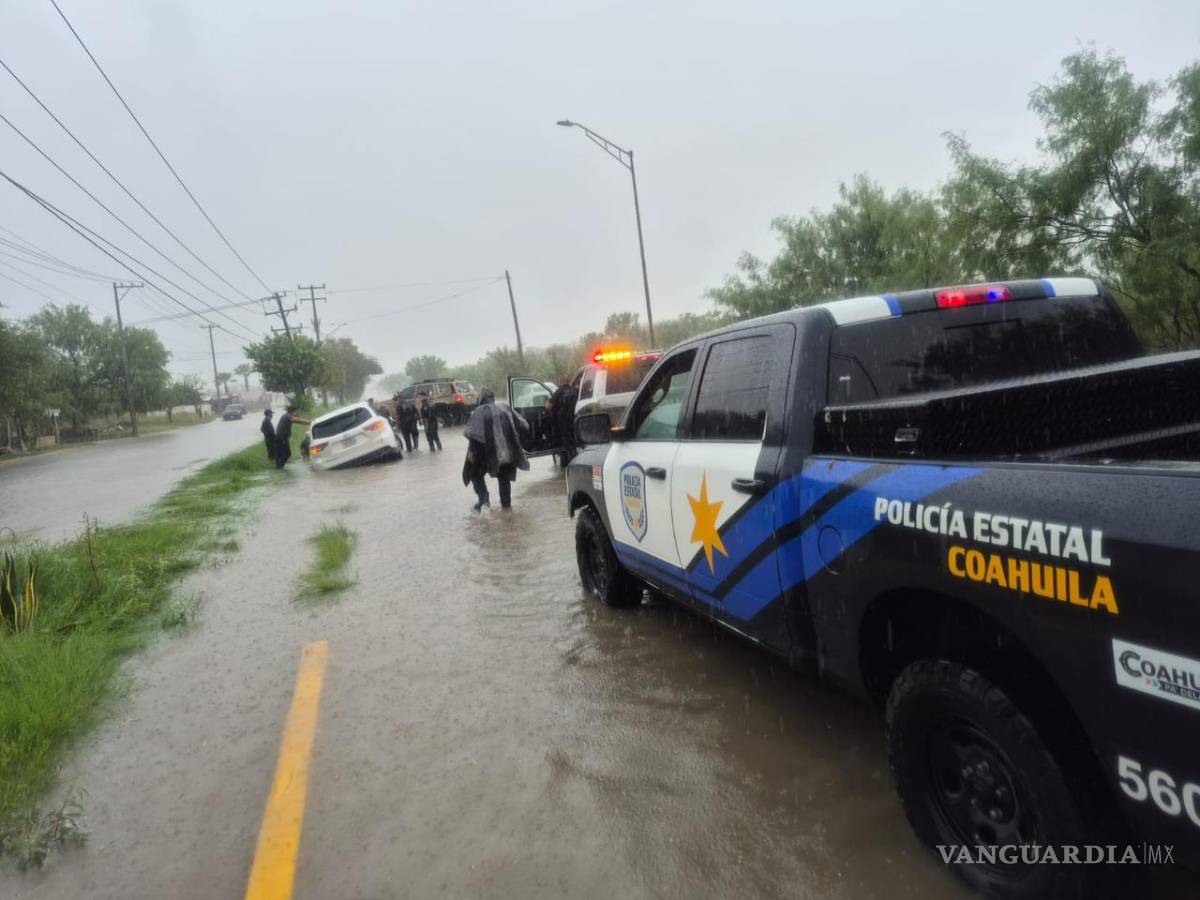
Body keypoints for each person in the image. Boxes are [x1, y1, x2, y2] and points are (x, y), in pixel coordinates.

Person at [462, 389, 529, 510]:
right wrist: (518, 443)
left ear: (481, 399)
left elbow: (474, 434)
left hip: (485, 454)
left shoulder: (479, 411)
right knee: (504, 479)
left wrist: (472, 451)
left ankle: (483, 500)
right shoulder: (505, 407)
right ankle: (507, 507)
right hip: (507, 453)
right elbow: (523, 425)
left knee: (474, 474)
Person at [548, 376, 579, 466]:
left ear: (561, 382)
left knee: (564, 444)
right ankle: (575, 461)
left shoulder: (558, 392)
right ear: (568, 382)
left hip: (563, 422)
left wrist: (547, 403)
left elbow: (549, 406)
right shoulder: (575, 391)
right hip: (574, 421)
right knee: (574, 442)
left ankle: (565, 466)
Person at [274, 404, 311, 469]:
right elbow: (298, 421)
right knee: (287, 453)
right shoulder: (287, 416)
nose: (296, 413)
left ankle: (278, 466)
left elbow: (298, 421)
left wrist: (306, 422)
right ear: (291, 411)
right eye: (295, 412)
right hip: (282, 438)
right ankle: (279, 467)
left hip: (280, 437)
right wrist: (310, 422)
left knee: (280, 453)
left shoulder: (285, 416)